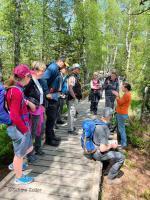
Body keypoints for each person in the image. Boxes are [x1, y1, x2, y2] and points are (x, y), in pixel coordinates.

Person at [6, 64, 35, 184]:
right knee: (19, 154)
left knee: (28, 148)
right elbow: (14, 115)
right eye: (30, 76)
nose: (30, 78)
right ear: (26, 76)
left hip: (17, 127)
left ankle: (15, 165)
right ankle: (19, 177)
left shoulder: (15, 89)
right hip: (19, 128)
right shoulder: (16, 91)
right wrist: (25, 130)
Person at [91, 107, 125, 184]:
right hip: (97, 153)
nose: (112, 117)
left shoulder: (96, 121)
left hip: (93, 148)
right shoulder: (102, 129)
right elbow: (102, 149)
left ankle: (106, 168)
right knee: (121, 157)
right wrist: (111, 145)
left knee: (113, 150)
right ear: (109, 116)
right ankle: (111, 178)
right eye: (111, 115)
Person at [40, 56, 67, 146]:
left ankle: (52, 136)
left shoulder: (56, 68)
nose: (64, 66)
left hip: (54, 96)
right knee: (51, 118)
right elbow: (43, 79)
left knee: (53, 118)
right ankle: (49, 139)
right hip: (50, 97)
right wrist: (47, 92)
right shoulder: (53, 67)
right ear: (60, 61)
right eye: (64, 63)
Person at [24, 61, 46, 157]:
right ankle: (29, 154)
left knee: (40, 130)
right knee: (32, 132)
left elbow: (39, 95)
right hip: (32, 111)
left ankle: (38, 148)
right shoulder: (29, 80)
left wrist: (42, 104)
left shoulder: (38, 80)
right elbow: (21, 95)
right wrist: (29, 103)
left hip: (39, 109)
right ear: (35, 70)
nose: (43, 72)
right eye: (42, 70)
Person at [112, 82, 132, 148]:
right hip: (122, 113)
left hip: (121, 113)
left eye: (122, 87)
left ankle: (124, 144)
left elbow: (120, 102)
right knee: (121, 128)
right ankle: (122, 142)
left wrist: (117, 95)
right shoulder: (127, 94)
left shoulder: (126, 95)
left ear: (126, 88)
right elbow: (122, 101)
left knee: (121, 129)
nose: (121, 88)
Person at [67, 63, 82, 134]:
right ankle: (70, 129)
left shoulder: (75, 76)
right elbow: (70, 88)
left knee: (73, 113)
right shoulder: (72, 77)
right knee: (71, 113)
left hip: (74, 98)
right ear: (75, 69)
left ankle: (71, 126)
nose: (79, 70)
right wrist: (75, 97)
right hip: (72, 98)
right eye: (78, 68)